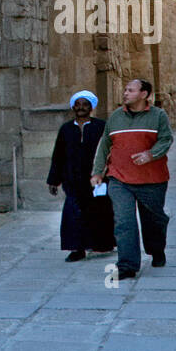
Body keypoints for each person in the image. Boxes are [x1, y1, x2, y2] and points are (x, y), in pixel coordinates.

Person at [90, 78, 173, 279]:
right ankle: (127, 265)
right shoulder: (116, 117)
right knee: (123, 221)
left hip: (152, 180)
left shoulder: (158, 116)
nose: (125, 93)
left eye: (130, 90)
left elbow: (166, 139)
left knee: (153, 220)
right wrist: (98, 171)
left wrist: (150, 154)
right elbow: (105, 145)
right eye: (125, 90)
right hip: (119, 179)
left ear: (144, 94)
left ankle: (156, 249)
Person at [47, 90, 116, 261]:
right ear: (73, 107)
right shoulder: (66, 129)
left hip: (96, 178)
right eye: (77, 104)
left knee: (99, 211)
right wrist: (54, 180)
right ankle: (77, 249)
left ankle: (101, 244)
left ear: (91, 107)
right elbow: (58, 155)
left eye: (85, 104)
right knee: (74, 213)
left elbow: (110, 151)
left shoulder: (101, 126)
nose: (81, 108)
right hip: (72, 179)